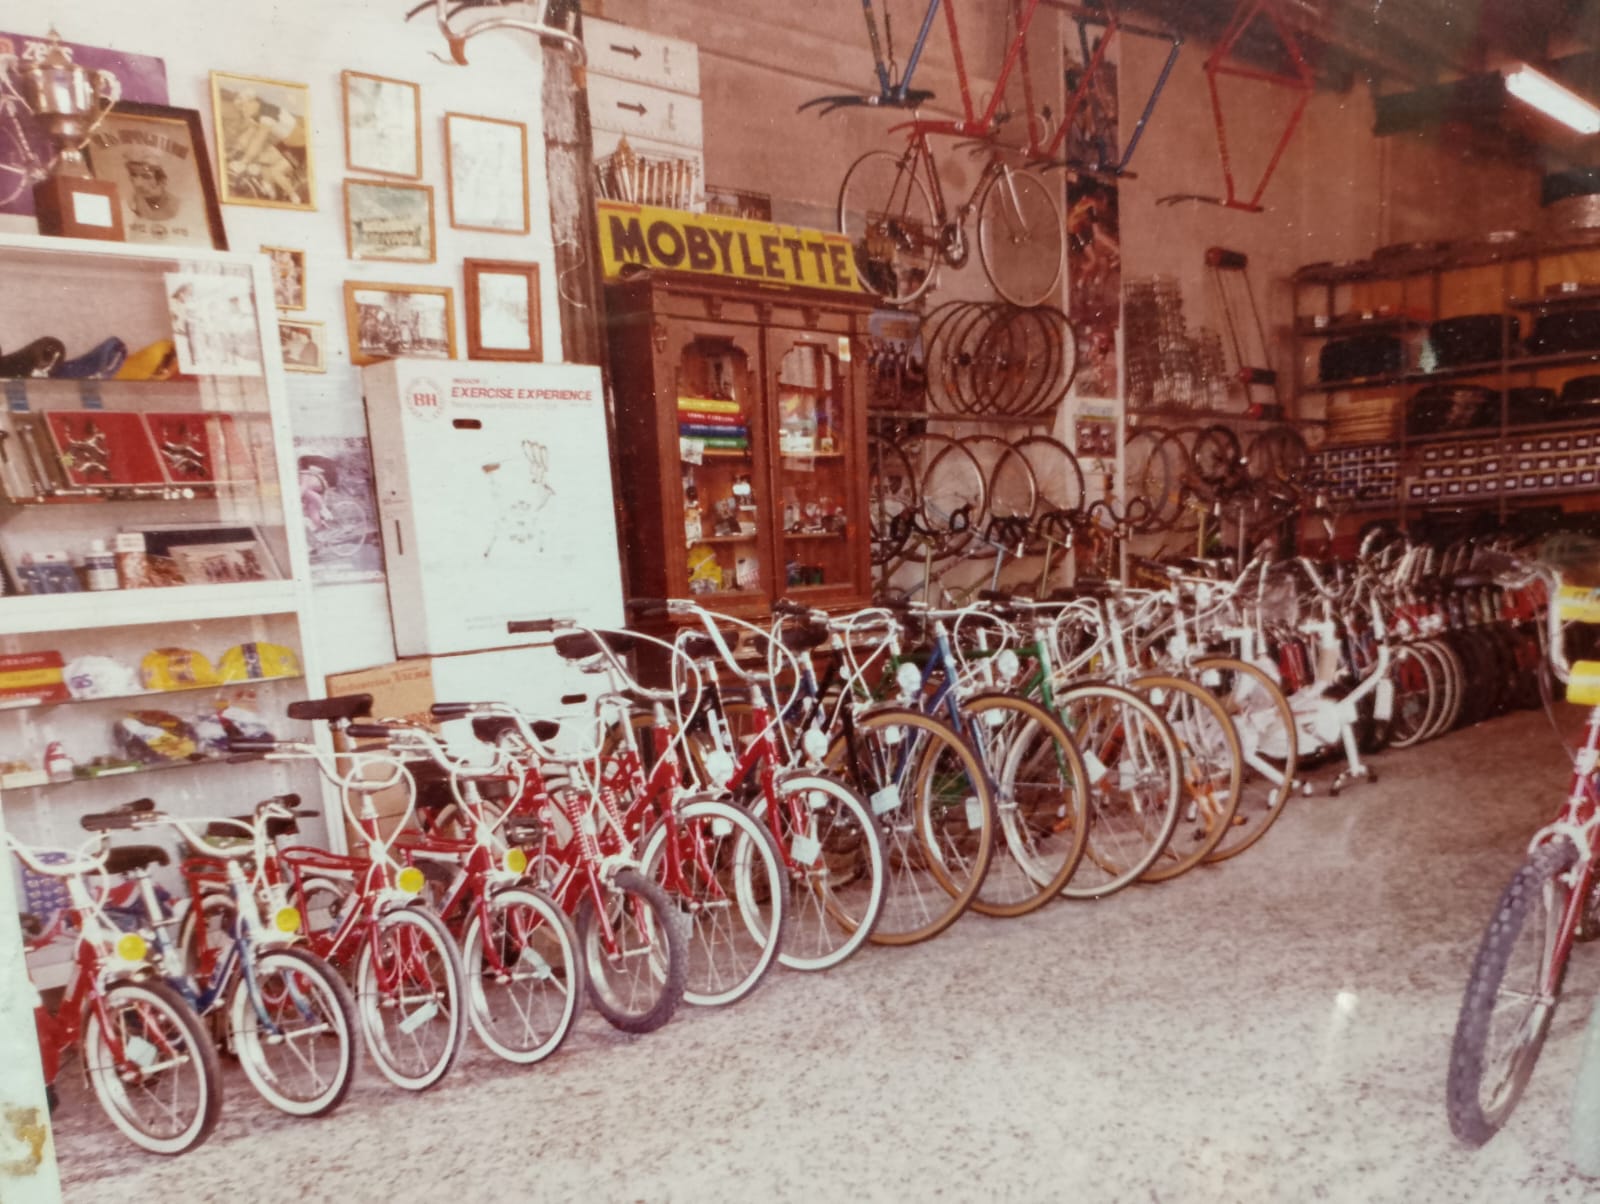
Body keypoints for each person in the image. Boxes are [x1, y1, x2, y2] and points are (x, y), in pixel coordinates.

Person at [221, 87, 301, 203]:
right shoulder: (256, 115)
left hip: (299, 146)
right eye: (240, 109)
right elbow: (248, 136)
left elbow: (259, 138)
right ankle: (270, 190)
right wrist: (234, 150)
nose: (243, 111)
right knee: (261, 161)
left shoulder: (268, 111)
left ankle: (294, 197)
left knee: (275, 172)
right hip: (284, 144)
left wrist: (244, 162)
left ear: (252, 102)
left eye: (243, 106)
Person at [125, 155, 179, 221]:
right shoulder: (130, 203)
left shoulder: (177, 205)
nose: (138, 184)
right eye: (134, 176)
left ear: (162, 181)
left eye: (146, 177)